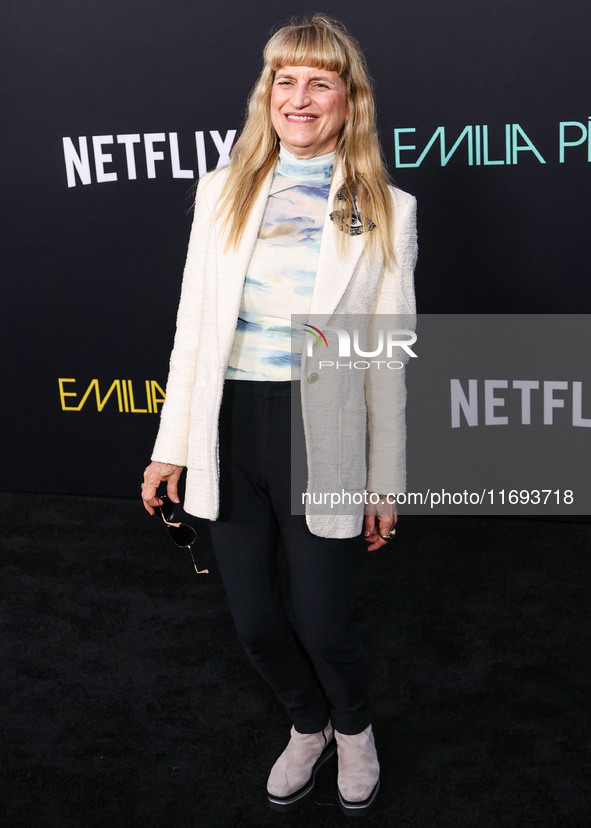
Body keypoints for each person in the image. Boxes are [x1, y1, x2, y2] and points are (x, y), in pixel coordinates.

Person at [141, 14, 417, 816]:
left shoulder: (388, 210)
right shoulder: (220, 192)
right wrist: (170, 447)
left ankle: (354, 729)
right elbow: (193, 330)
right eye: (283, 80)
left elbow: (384, 363)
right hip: (229, 429)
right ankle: (308, 725)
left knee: (325, 623)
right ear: (266, 93)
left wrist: (384, 482)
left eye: (318, 82)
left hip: (320, 439)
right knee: (256, 623)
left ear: (346, 100)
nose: (298, 98)